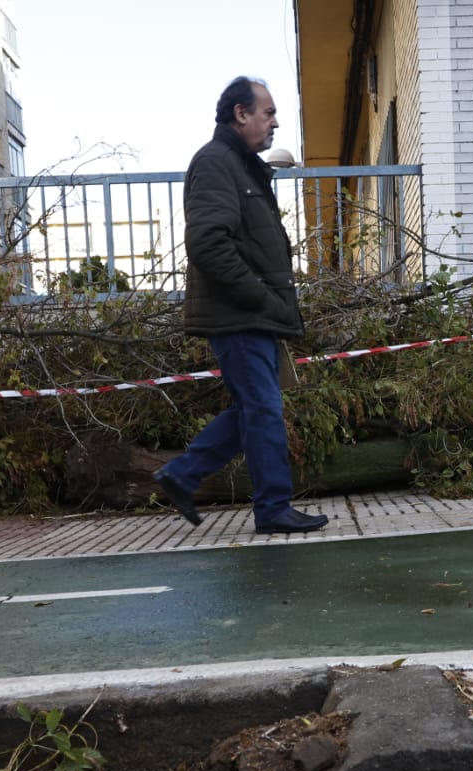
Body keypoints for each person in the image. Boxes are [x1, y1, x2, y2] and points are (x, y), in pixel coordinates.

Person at [152, 77, 330, 535]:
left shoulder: (241, 165)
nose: (275, 121)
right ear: (240, 114)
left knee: (254, 407)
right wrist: (260, 298)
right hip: (240, 315)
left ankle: (182, 474)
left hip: (251, 314)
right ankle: (272, 508)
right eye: (268, 112)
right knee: (264, 409)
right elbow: (208, 245)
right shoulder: (215, 163)